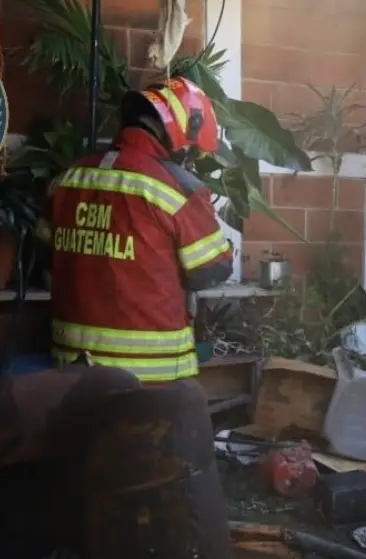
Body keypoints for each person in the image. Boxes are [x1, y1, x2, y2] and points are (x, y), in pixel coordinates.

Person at [37, 77, 235, 383]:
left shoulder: (68, 179)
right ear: (183, 131)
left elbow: (47, 260)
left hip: (71, 368)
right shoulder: (179, 189)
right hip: (151, 375)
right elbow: (210, 270)